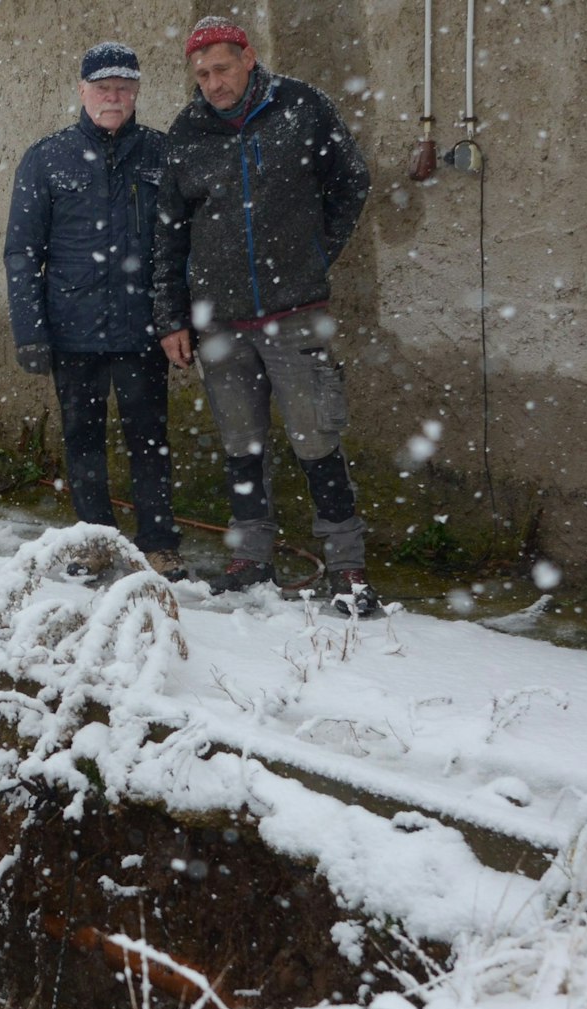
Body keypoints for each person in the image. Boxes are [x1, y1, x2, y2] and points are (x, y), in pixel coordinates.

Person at [152, 16, 381, 616]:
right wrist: (171, 316)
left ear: (248, 58)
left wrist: (313, 254)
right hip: (220, 320)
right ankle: (251, 559)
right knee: (241, 443)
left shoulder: (301, 108)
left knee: (316, 438)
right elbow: (169, 234)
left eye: (222, 68)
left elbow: (351, 182)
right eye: (201, 74)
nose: (212, 83)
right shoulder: (188, 131)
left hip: (294, 311)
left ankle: (347, 568)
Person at [5, 41, 186, 580]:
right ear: (82, 91)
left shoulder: (159, 154)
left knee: (149, 441)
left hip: (140, 331)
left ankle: (158, 543)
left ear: (136, 94)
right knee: (83, 438)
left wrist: (175, 318)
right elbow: (21, 251)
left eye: (124, 89)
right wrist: (31, 331)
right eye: (103, 89)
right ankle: (95, 541)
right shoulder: (47, 158)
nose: (114, 98)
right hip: (72, 331)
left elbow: (179, 243)